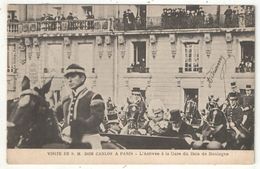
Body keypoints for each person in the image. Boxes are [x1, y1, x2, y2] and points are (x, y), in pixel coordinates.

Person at [60, 64, 105, 148]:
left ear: (82, 78)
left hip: (89, 137)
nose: (69, 80)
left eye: (73, 76)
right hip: (66, 138)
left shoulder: (93, 96)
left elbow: (96, 118)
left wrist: (75, 129)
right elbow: (56, 116)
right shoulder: (66, 99)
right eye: (68, 77)